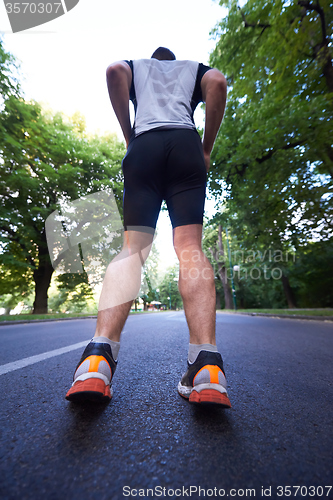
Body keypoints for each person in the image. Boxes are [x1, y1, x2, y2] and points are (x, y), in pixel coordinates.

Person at [65, 47, 231, 407]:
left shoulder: (138, 67)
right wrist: (205, 148)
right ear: (173, 60)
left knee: (132, 249)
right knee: (189, 248)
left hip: (145, 147)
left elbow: (113, 72)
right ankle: (207, 368)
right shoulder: (193, 69)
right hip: (186, 146)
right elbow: (217, 82)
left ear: (155, 60)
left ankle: (97, 360)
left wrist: (130, 136)